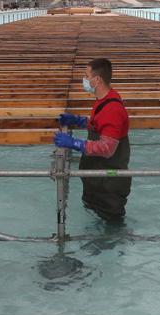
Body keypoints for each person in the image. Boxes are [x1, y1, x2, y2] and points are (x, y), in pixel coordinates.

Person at [53, 58, 132, 223]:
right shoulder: (105, 100)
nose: (84, 80)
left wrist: (74, 143)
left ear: (97, 80)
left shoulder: (112, 108)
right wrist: (80, 121)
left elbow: (107, 148)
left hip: (109, 184)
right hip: (98, 181)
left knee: (110, 226)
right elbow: (100, 123)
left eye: (86, 75)